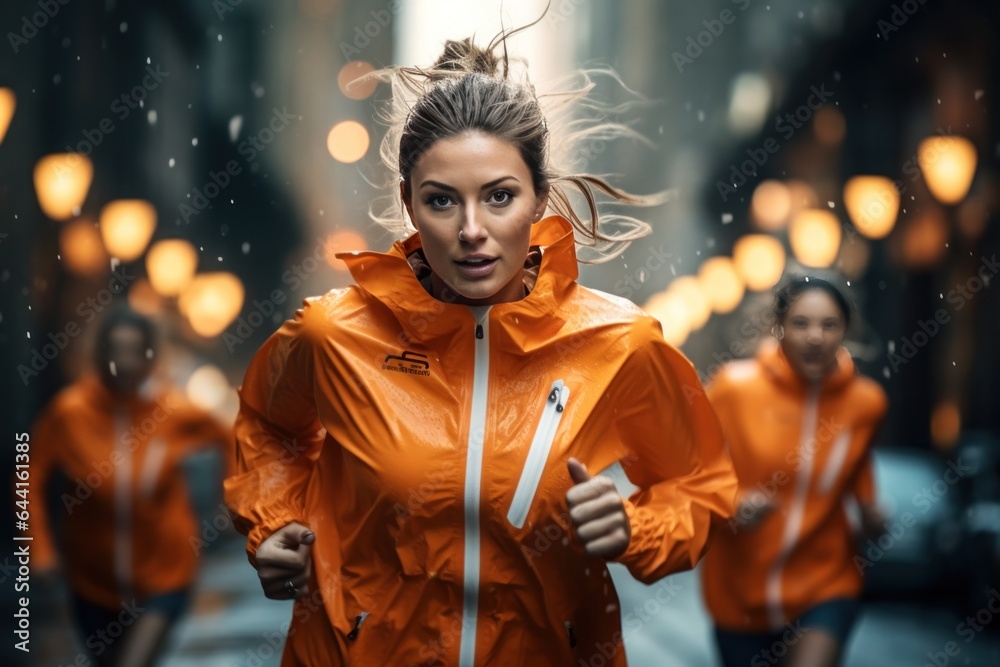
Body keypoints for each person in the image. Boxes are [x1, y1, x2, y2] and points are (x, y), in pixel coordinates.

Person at [224, 28, 737, 666]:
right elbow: (266, 427)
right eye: (442, 201)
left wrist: (637, 527)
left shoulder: (619, 344)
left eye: (499, 196)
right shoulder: (333, 335)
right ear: (409, 204)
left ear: (539, 199)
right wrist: (276, 526)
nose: (472, 231)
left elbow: (699, 484)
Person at [700, 274, 889, 667]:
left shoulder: (865, 403)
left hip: (825, 585)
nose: (816, 337)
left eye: (829, 324)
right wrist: (734, 502)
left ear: (845, 330)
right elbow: (693, 475)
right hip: (739, 595)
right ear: (779, 327)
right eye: (801, 323)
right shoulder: (734, 389)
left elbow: (861, 486)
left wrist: (874, 518)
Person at [30, 307, 232, 666]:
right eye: (116, 350)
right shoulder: (69, 412)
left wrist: (231, 501)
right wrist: (39, 549)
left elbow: (231, 436)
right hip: (91, 582)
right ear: (101, 353)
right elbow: (27, 472)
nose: (125, 361)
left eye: (135, 350)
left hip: (165, 575)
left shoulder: (172, 410)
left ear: (149, 354)